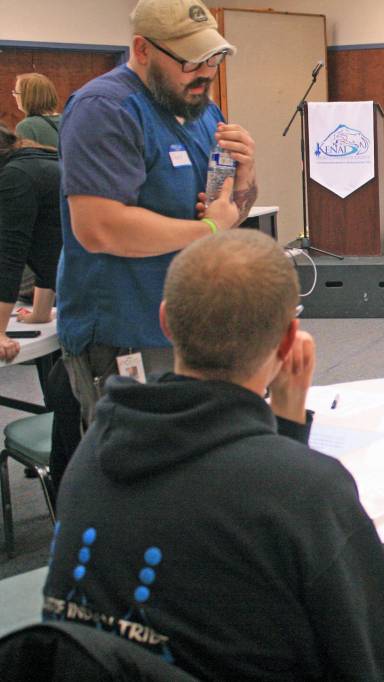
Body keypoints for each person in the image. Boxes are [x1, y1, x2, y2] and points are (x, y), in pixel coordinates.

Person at [42, 230, 384, 682]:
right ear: (286, 340)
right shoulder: (308, 489)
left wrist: (285, 425)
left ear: (166, 320)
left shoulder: (94, 449)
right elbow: (378, 662)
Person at [56, 0, 259, 424]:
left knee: (195, 459)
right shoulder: (105, 109)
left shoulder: (201, 111)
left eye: (213, 58)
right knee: (137, 473)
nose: (205, 72)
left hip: (193, 323)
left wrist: (245, 177)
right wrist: (206, 229)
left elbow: (228, 213)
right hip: (125, 332)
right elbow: (100, 228)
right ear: (142, 50)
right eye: (190, 61)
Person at [0, 124, 60, 363]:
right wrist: (40, 313)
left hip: (93, 295)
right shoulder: (34, 161)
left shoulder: (16, 176)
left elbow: (9, 255)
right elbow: (49, 237)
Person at [13, 73, 61, 148]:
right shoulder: (68, 120)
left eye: (16, 92)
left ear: (27, 96)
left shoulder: (26, 126)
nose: (14, 96)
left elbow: (26, 158)